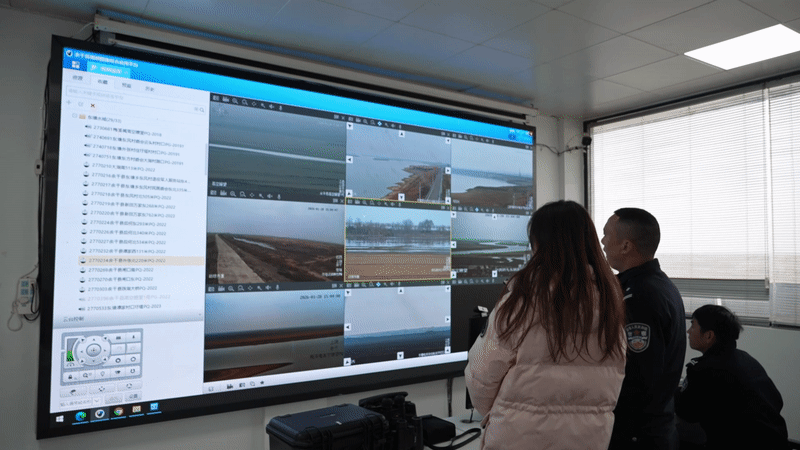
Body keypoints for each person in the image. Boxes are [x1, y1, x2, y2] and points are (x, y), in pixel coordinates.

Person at [465, 200, 627, 450]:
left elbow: (482, 375)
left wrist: (499, 411)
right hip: (588, 439)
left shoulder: (523, 299)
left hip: (519, 439)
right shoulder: (610, 300)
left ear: (539, 243)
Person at [602, 208, 686, 450]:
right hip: (651, 428)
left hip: (637, 434)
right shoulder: (653, 284)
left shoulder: (641, 296)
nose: (603, 242)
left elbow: (637, 375)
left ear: (626, 246)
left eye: (606, 234)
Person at [675, 304, 789, 450]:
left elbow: (687, 411)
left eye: (693, 325)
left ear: (709, 335)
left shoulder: (705, 369)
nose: (688, 331)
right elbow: (776, 400)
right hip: (777, 440)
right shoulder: (745, 359)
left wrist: (672, 391)